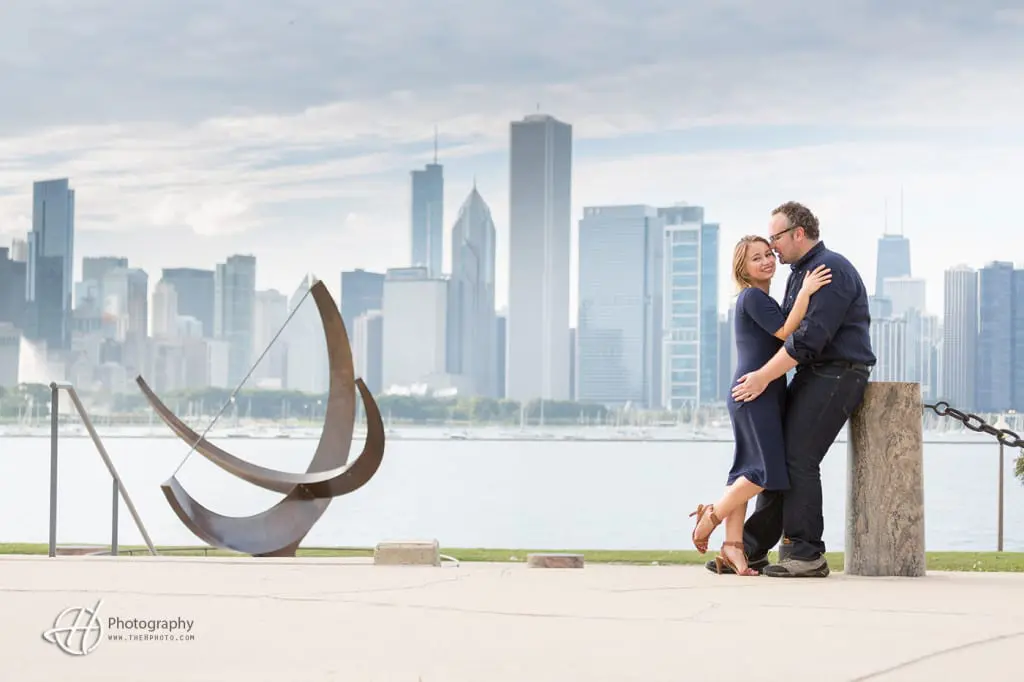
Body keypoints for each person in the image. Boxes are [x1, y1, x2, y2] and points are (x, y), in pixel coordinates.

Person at [721, 201, 875, 578]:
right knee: (779, 458)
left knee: (799, 458)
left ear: (798, 234)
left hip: (837, 374)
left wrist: (763, 376)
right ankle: (754, 549)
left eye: (774, 239)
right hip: (811, 374)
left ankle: (805, 553)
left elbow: (807, 340)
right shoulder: (800, 274)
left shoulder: (829, 270)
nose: (773, 248)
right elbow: (788, 331)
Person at [689, 234, 832, 576]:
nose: (767, 261)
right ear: (743, 268)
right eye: (757, 258)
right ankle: (711, 516)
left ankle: (734, 547)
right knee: (764, 473)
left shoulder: (761, 299)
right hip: (755, 393)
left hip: (758, 393)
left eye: (769, 254)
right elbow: (785, 331)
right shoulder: (753, 296)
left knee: (745, 470)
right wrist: (807, 291)